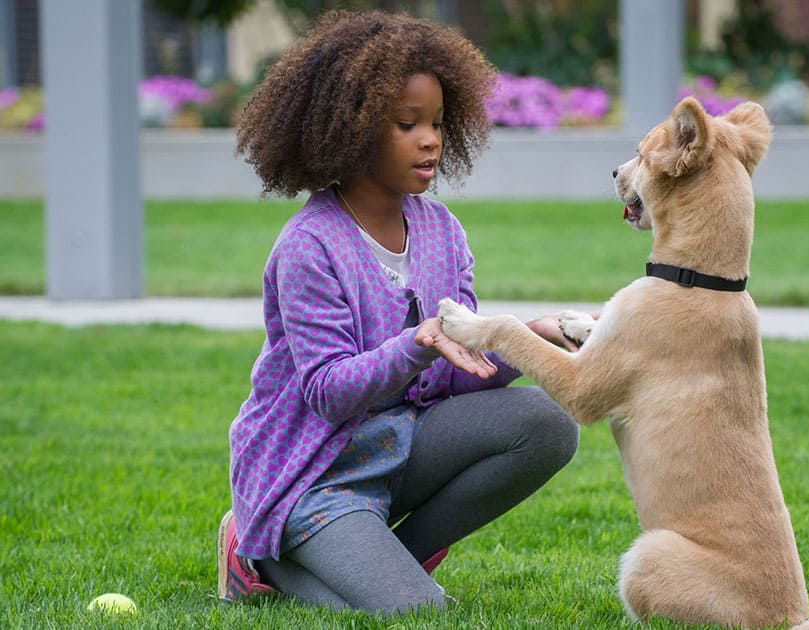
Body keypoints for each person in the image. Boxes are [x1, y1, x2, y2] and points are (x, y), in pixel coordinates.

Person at [216, 10, 580, 615]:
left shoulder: (442, 231)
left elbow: (458, 374)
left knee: (549, 422)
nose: (431, 138)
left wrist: (526, 341)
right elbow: (330, 393)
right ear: (350, 130)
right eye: (406, 124)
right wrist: (416, 342)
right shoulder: (309, 247)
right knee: (418, 613)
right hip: (314, 475)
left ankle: (386, 560)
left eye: (437, 122)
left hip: (400, 446)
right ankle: (257, 555)